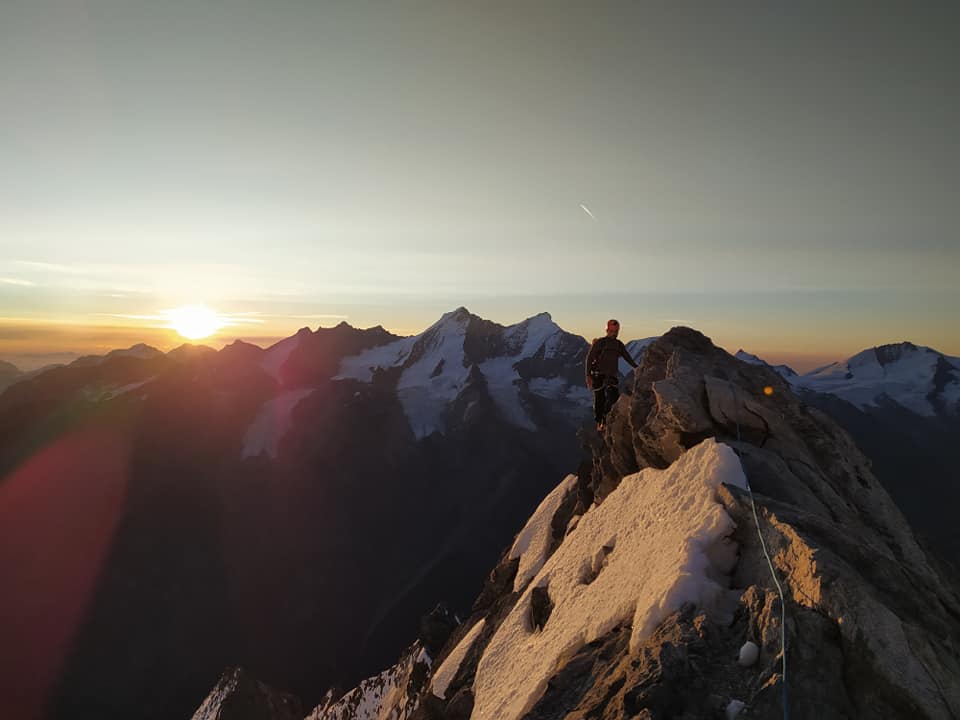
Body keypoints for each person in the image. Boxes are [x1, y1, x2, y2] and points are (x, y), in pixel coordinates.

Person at [585, 318, 638, 430]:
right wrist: (588, 375)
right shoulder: (600, 343)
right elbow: (589, 358)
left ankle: (606, 419)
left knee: (613, 398)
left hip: (611, 376)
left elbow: (627, 356)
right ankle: (600, 421)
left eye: (616, 331)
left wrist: (637, 367)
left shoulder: (618, 345)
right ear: (607, 330)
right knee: (600, 399)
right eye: (612, 331)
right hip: (598, 375)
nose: (614, 334)